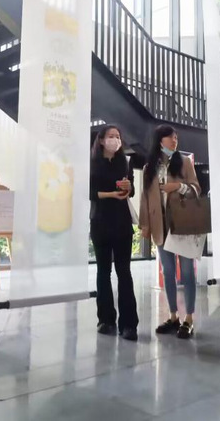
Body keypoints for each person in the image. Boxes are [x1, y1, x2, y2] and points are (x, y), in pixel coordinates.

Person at [139, 125, 201, 339]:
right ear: (160, 141)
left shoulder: (184, 162)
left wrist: (178, 187)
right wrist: (145, 225)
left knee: (187, 272)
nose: (175, 141)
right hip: (160, 225)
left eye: (176, 138)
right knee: (168, 271)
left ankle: (189, 318)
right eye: (170, 138)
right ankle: (173, 316)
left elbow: (196, 189)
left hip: (182, 225)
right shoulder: (149, 168)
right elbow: (145, 198)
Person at [90, 125, 139, 341]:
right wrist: (110, 194)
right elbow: (88, 192)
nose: (115, 140)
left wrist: (128, 188)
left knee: (124, 272)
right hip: (100, 221)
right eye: (111, 136)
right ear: (101, 140)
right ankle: (106, 320)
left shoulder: (125, 162)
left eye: (118, 136)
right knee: (103, 272)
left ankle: (129, 324)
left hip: (122, 223)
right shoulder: (91, 163)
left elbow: (131, 191)